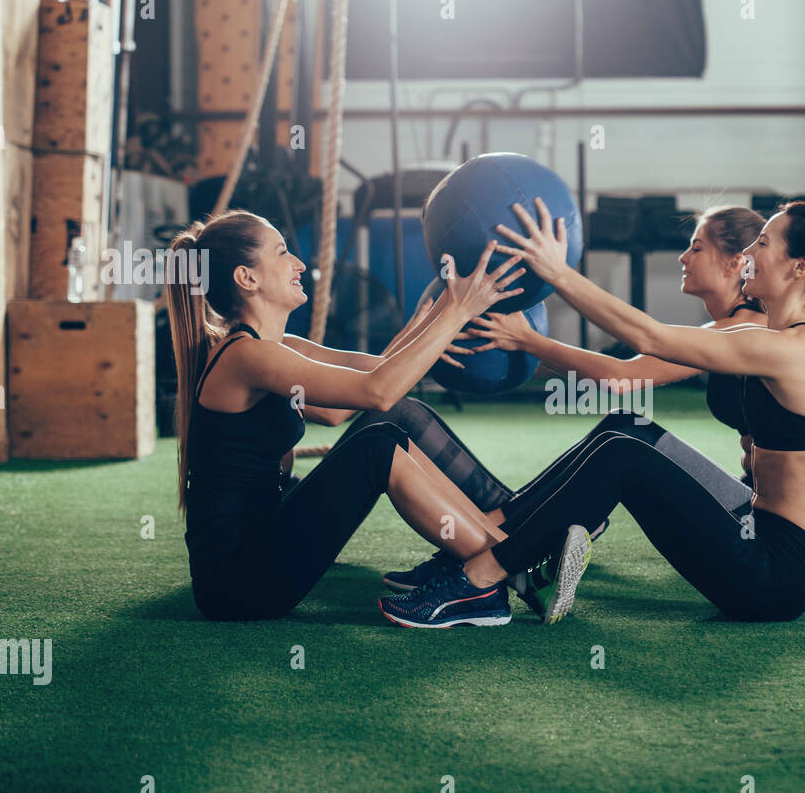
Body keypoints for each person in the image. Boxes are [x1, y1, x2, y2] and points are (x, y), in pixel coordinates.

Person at [379, 199, 805, 625]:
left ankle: (481, 580)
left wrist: (557, 273)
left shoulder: (795, 350)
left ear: (800, 267)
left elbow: (648, 339)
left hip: (774, 577)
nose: (749, 253)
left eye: (763, 243)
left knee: (622, 454)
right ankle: (488, 547)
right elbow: (638, 361)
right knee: (625, 430)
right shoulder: (774, 338)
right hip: (755, 528)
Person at [343, 206, 769, 592]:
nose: (683, 258)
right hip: (739, 498)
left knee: (624, 439)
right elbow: (620, 373)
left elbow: (622, 376)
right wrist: (522, 349)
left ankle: (493, 552)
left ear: (736, 262)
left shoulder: (750, 330)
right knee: (624, 425)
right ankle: (498, 537)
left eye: (696, 247)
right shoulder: (729, 329)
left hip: (747, 518)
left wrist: (531, 336)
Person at [165, 208, 531, 625]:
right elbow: (377, 390)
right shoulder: (247, 356)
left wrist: (436, 319)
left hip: (267, 537)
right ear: (247, 278)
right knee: (377, 445)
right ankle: (515, 566)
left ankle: (511, 541)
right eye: (282, 252)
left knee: (389, 422)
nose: (299, 263)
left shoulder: (276, 347)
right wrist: (457, 314)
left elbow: (352, 396)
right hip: (236, 584)